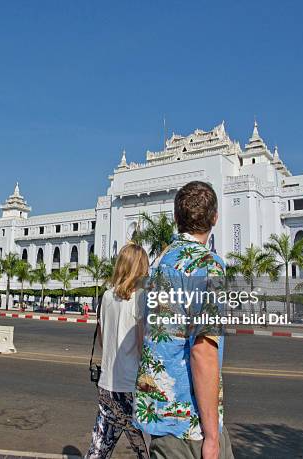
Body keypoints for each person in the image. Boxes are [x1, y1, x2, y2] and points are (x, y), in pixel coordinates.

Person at [133, 181, 234, 459]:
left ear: (177, 219)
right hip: (191, 424)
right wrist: (212, 436)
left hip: (159, 416)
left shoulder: (158, 264)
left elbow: (143, 332)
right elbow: (202, 351)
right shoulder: (208, 266)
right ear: (215, 218)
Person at [86, 243, 150, 459]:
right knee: (145, 449)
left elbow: (104, 341)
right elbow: (142, 345)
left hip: (107, 384)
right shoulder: (141, 298)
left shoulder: (106, 296)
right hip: (132, 386)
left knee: (99, 448)